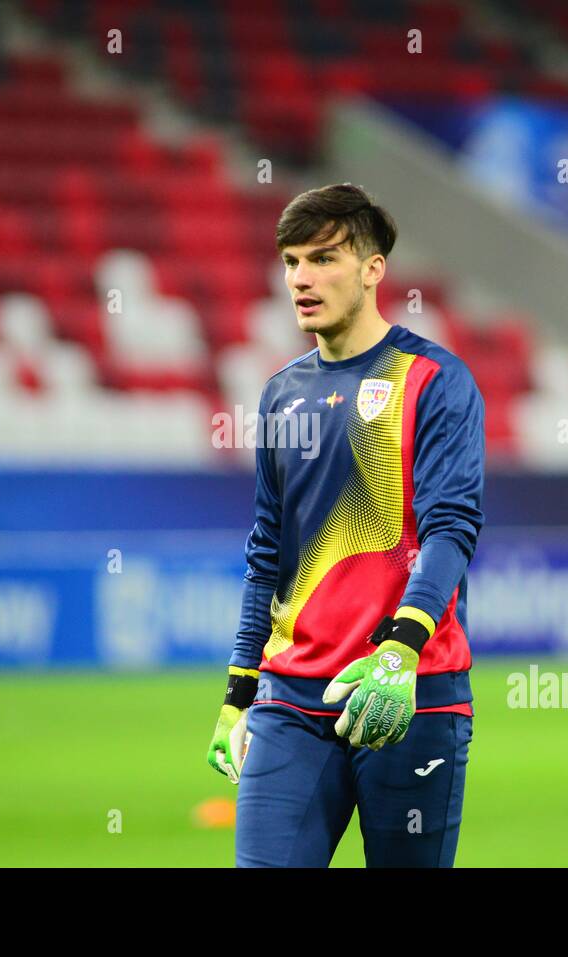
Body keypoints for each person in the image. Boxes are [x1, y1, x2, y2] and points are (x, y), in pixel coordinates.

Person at [205, 182, 486, 867]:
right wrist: (240, 692)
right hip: (291, 701)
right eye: (292, 261)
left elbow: (450, 530)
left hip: (409, 696)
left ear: (372, 268)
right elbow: (268, 552)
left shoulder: (433, 379)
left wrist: (400, 650)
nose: (302, 278)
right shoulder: (280, 394)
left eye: (324, 259)